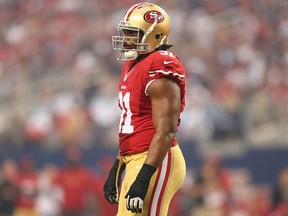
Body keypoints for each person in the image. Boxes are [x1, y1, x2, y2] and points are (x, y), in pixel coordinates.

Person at [103, 2, 187, 215]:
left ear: (155, 36)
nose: (126, 39)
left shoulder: (160, 63)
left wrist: (143, 178)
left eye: (133, 33)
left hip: (157, 160)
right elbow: (134, 123)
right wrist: (118, 165)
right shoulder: (132, 64)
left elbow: (166, 130)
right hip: (135, 158)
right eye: (125, 32)